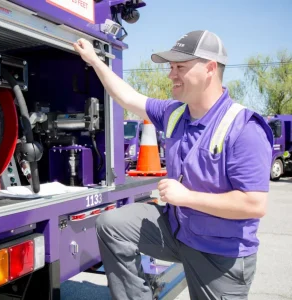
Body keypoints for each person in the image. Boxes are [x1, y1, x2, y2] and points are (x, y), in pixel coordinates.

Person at [73, 30, 273, 300]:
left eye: (180, 67)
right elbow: (128, 98)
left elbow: (254, 204)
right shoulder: (175, 113)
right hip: (177, 231)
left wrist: (187, 198)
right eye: (170, 67)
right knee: (112, 224)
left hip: (220, 254)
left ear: (210, 69)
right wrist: (96, 61)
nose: (171, 75)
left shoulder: (244, 127)